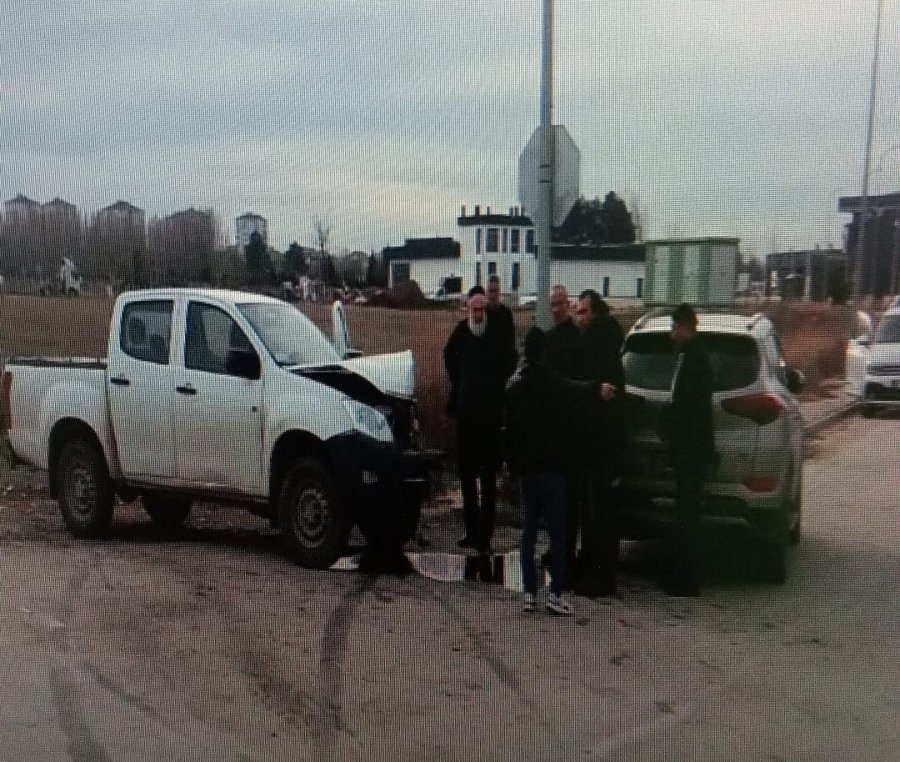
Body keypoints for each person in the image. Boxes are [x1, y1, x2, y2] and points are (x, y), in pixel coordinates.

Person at [504, 327, 603, 616]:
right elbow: (576, 388)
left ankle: (528, 593)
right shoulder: (554, 382)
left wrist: (512, 465)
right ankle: (556, 593)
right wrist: (598, 387)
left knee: (529, 533)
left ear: (525, 351)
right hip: (555, 468)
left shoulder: (515, 387)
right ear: (545, 352)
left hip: (528, 470)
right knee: (558, 534)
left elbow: (508, 431)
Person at [444, 286, 517, 554]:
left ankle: (485, 536)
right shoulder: (462, 332)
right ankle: (471, 531)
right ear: (468, 309)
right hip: (466, 415)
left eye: (482, 309)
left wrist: (496, 385)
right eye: (474, 310)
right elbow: (447, 355)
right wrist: (460, 382)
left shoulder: (496, 333)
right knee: (466, 476)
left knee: (487, 479)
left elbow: (511, 359)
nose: (478, 314)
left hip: (489, 416)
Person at [571, 289, 626, 597]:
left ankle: (601, 577)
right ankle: (594, 569)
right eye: (577, 312)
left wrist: (588, 391)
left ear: (595, 313)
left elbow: (596, 390)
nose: (579, 317)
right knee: (595, 512)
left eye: (583, 312)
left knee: (599, 512)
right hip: (599, 441)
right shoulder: (605, 340)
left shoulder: (598, 344)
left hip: (599, 441)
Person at [659, 303, 715, 597]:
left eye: (673, 328)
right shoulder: (689, 356)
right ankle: (680, 574)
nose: (671, 334)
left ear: (684, 327)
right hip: (688, 447)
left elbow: (694, 410)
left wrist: (672, 425)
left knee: (689, 515)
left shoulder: (696, 359)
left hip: (691, 449)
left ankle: (687, 579)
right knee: (684, 512)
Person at [543, 285, 583, 586]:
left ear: (568, 305)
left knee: (569, 498)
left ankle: (567, 556)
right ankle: (556, 550)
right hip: (553, 427)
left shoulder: (576, 338)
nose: (556, 309)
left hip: (571, 428)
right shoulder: (550, 338)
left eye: (560, 304)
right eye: (552, 305)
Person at [485, 274, 517, 357]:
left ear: (499, 292)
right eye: (490, 291)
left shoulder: (507, 314)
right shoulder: (482, 313)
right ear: (486, 292)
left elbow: (511, 342)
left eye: (495, 291)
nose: (492, 295)